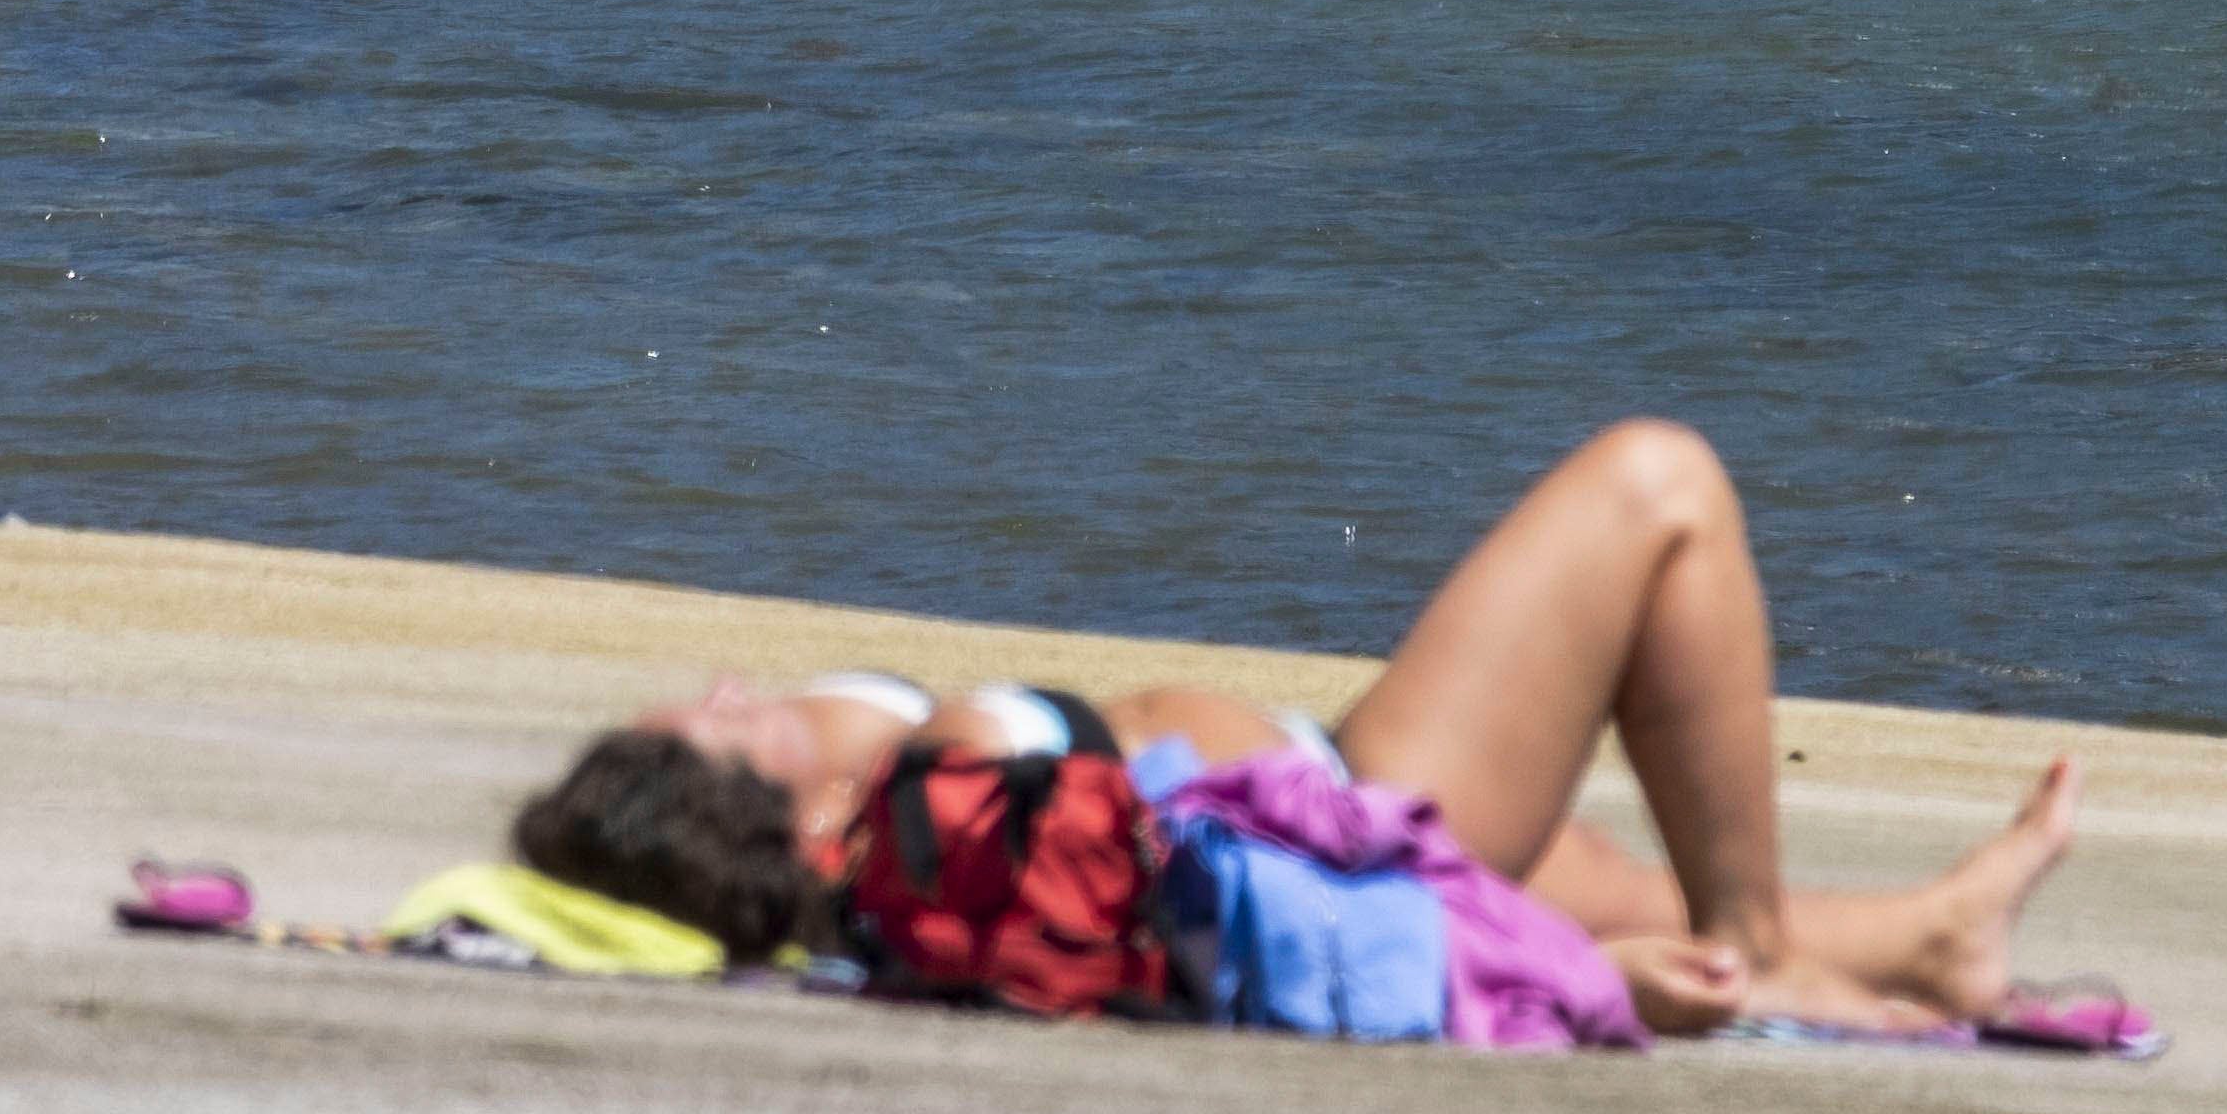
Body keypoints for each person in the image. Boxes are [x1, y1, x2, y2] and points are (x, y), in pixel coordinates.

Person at [505, 420, 2079, 1036]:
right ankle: (1776, 955)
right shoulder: (918, 806)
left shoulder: (886, 812)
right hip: (1372, 804)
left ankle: (1930, 944)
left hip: (1328, 800)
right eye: (716, 723)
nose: (730, 691)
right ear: (755, 813)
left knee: (1611, 872)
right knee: (1661, 491)